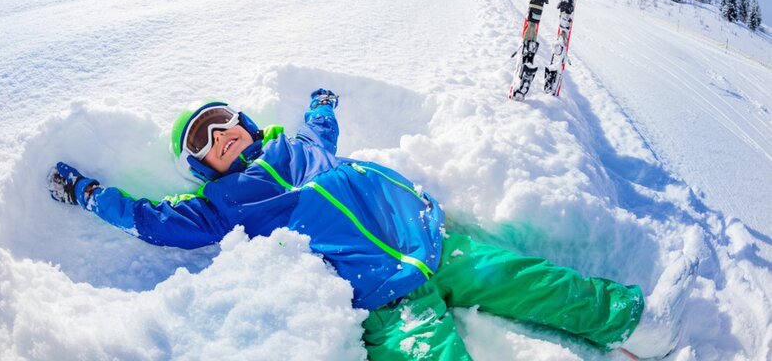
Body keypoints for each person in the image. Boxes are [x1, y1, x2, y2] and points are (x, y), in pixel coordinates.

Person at [48, 89, 690, 360]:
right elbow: (151, 220)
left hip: (427, 236)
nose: (220, 135)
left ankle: (631, 320)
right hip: (382, 298)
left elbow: (322, 126)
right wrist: (88, 193)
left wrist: (321, 103)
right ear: (201, 167)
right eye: (204, 140)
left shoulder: (297, 144)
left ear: (244, 120)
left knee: (528, 279)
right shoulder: (221, 204)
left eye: (222, 120)